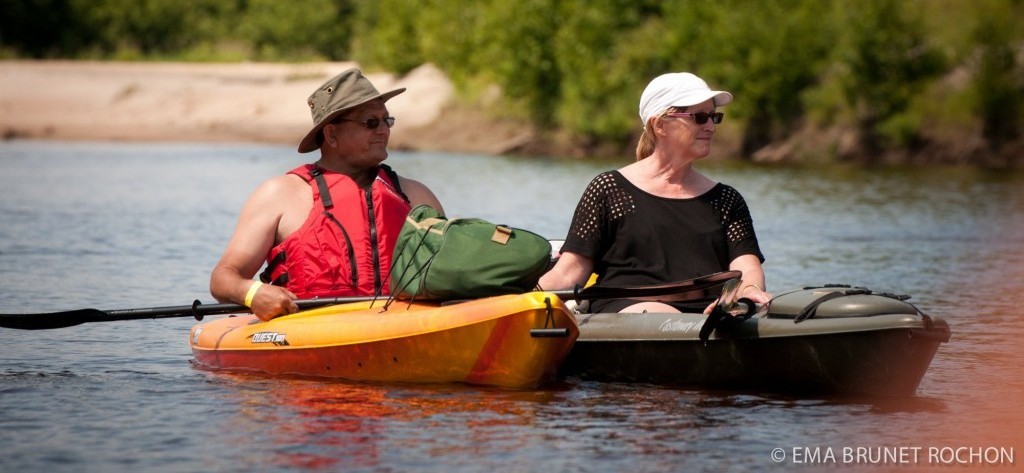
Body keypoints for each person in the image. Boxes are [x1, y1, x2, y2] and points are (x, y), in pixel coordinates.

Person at [210, 68, 444, 321]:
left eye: (387, 121)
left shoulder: (416, 195)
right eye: (370, 122)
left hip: (402, 325)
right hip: (310, 329)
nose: (383, 131)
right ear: (331, 134)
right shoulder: (280, 194)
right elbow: (223, 278)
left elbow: (451, 268)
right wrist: (253, 292)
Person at [539, 72, 770, 314]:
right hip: (627, 314)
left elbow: (747, 267)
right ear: (660, 125)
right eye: (700, 117)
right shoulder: (609, 190)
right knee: (664, 315)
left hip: (709, 316)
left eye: (714, 117)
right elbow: (569, 272)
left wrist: (748, 293)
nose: (711, 126)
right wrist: (513, 299)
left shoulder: (726, 200)